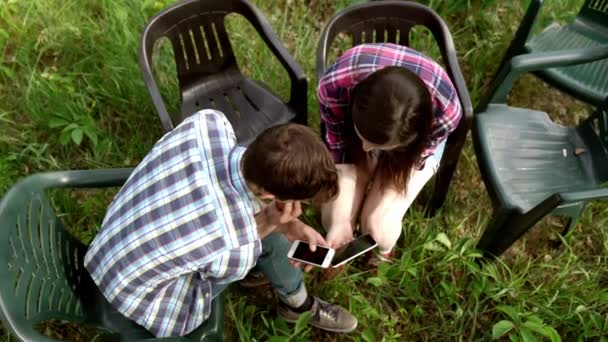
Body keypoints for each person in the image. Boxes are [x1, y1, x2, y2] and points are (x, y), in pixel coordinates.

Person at [84, 109, 358, 338]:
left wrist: (287, 224)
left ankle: (279, 285)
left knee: (264, 236)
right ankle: (298, 305)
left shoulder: (208, 123)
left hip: (109, 245)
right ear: (268, 195)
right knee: (271, 243)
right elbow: (222, 262)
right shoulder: (233, 246)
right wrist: (269, 226)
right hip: (141, 299)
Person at [317, 43, 462, 264]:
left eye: (375, 146)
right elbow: (341, 152)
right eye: (363, 137)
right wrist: (340, 220)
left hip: (413, 152)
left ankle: (380, 259)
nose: (366, 149)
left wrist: (379, 210)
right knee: (334, 219)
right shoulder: (334, 85)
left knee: (379, 226)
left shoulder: (447, 113)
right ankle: (347, 229)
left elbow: (412, 162)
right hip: (369, 131)